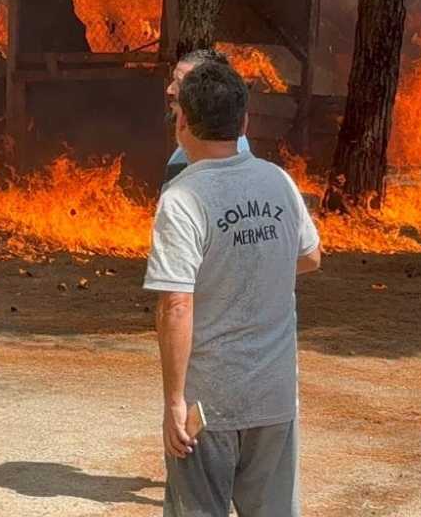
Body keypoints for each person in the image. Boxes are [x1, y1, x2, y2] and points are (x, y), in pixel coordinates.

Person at [144, 61, 321, 517]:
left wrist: (173, 403)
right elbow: (310, 256)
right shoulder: (279, 181)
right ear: (244, 123)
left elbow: (176, 304)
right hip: (275, 396)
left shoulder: (182, 198)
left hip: (211, 402)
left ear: (182, 122)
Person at [164, 49, 251, 185]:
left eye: (180, 83)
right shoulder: (185, 151)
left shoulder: (231, 152)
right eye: (173, 80)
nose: (169, 89)